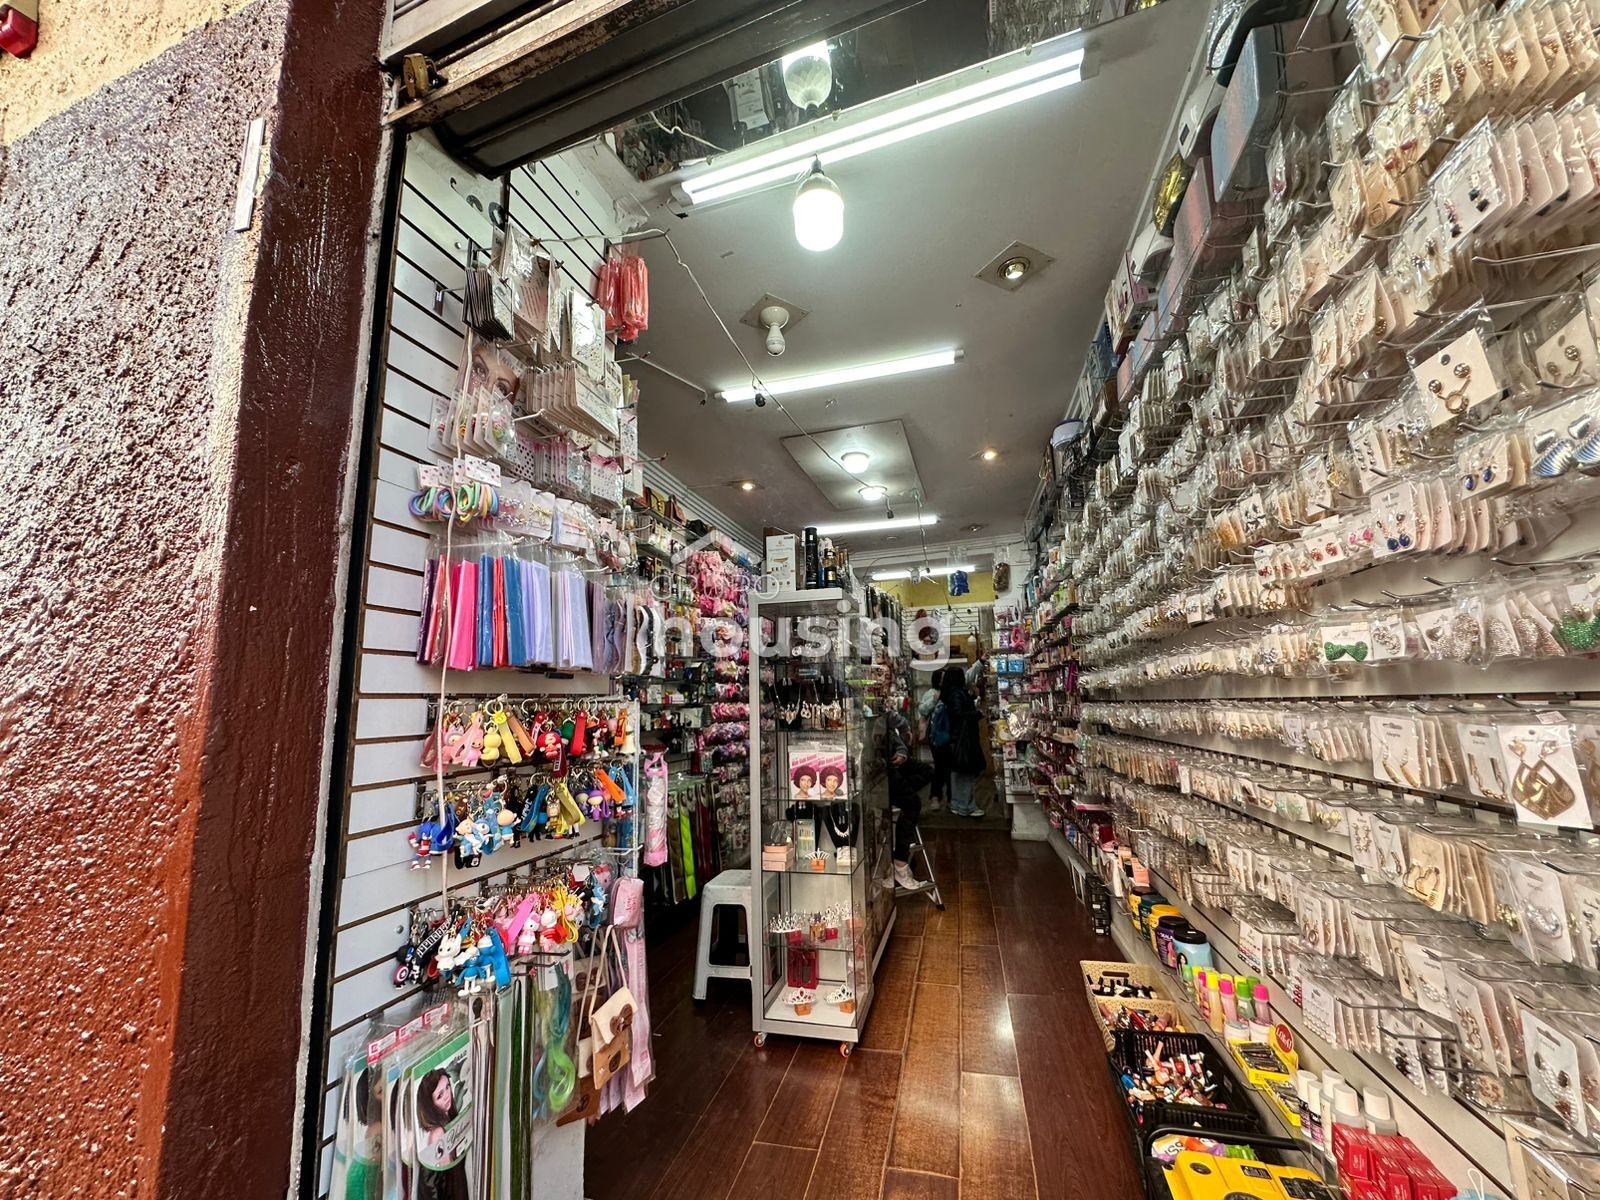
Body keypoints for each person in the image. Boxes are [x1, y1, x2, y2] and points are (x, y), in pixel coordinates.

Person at [884, 710, 930, 891]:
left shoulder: (880, 714)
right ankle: (900, 863)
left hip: (892, 760)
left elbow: (892, 723)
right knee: (912, 804)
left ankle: (901, 794)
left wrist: (902, 748)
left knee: (927, 772)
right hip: (882, 767)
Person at [941, 666, 987, 818]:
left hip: (955, 738)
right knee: (966, 772)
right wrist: (977, 714)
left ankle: (957, 804)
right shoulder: (957, 693)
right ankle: (966, 806)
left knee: (957, 772)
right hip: (963, 737)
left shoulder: (949, 693)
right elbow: (959, 714)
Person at [919, 667, 951, 810]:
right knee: (940, 766)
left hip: (949, 735)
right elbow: (923, 710)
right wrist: (934, 700)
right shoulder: (931, 693)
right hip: (936, 735)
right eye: (943, 678)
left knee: (948, 767)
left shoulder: (950, 693)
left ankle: (947, 797)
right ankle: (936, 796)